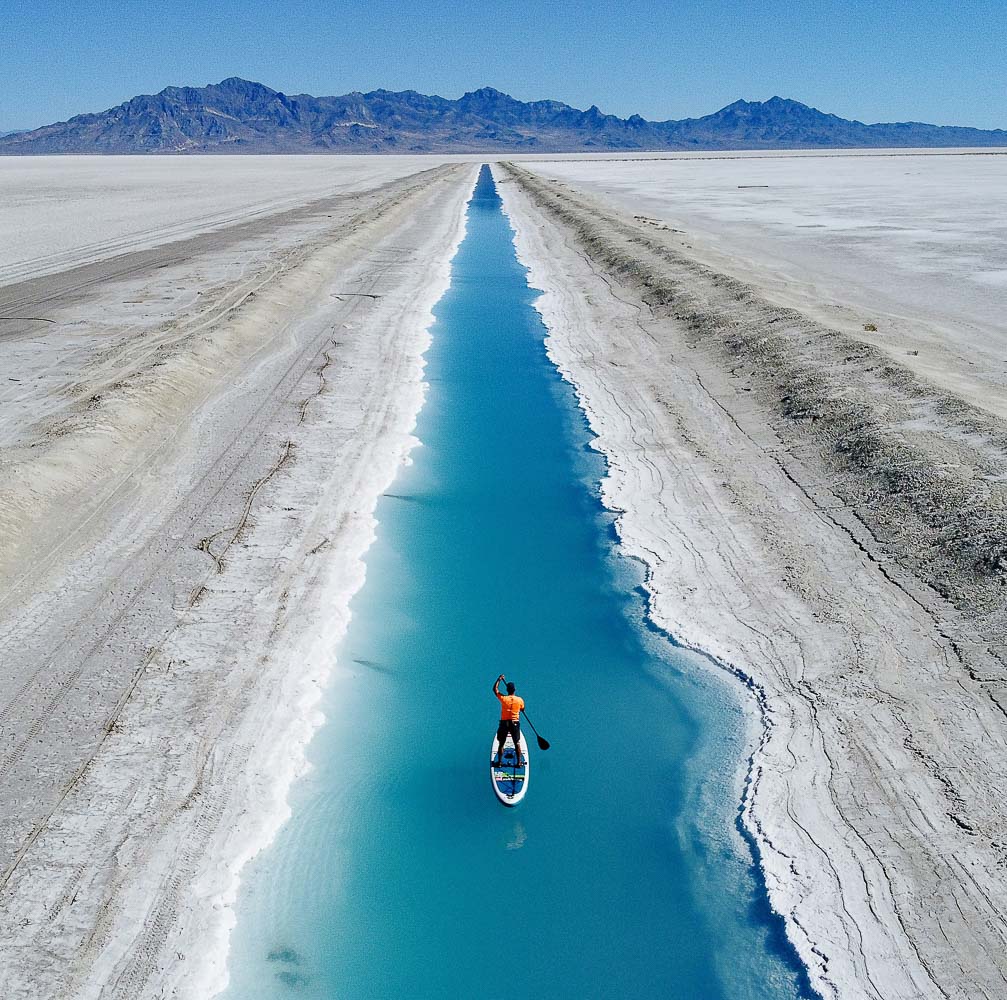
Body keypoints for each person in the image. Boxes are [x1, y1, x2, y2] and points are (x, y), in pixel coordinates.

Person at [493, 673, 525, 767]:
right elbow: (523, 708)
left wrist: (499, 679)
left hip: (504, 723)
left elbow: (495, 690)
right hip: (514, 723)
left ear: (507, 690)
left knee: (501, 743)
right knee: (517, 743)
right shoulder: (520, 700)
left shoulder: (504, 698)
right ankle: (519, 762)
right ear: (514, 690)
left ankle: (499, 763)